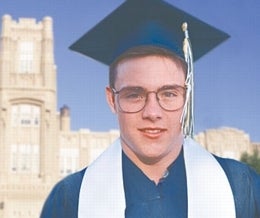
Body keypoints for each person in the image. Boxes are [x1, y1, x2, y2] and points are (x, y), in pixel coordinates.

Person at [40, 0, 260, 217]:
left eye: (169, 94)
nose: (152, 113)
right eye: (134, 95)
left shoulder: (242, 188)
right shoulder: (70, 200)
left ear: (187, 97)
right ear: (111, 100)